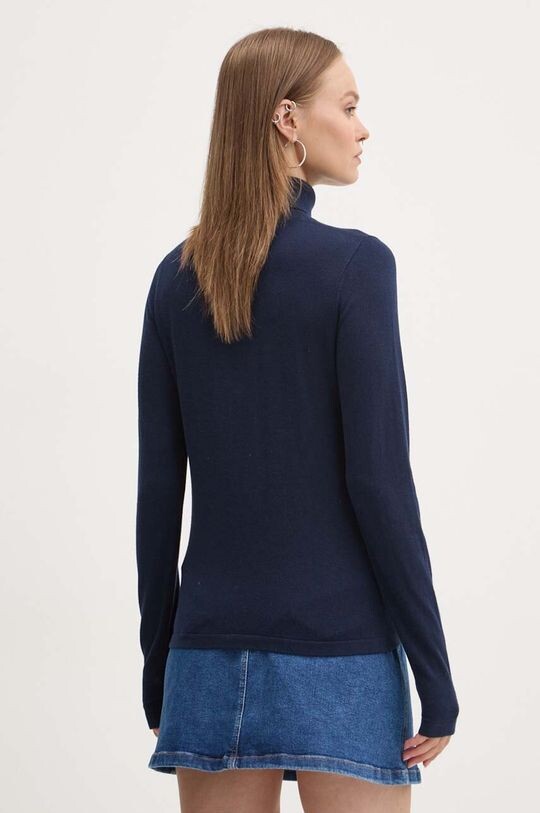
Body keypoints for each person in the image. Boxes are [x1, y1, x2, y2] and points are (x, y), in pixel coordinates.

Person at [136, 26, 459, 813]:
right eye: (346, 106)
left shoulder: (177, 277)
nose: (361, 128)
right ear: (287, 119)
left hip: (205, 655)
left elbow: (158, 494)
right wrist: (434, 670)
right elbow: (379, 482)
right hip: (339, 653)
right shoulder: (356, 266)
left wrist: (159, 662)